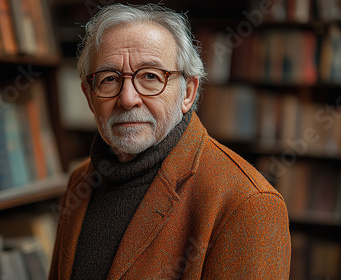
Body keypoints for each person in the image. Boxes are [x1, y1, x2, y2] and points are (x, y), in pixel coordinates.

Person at [49, 3, 291, 279]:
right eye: (109, 79)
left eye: (151, 76)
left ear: (188, 92)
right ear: (89, 96)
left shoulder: (248, 204)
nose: (128, 98)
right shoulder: (79, 181)